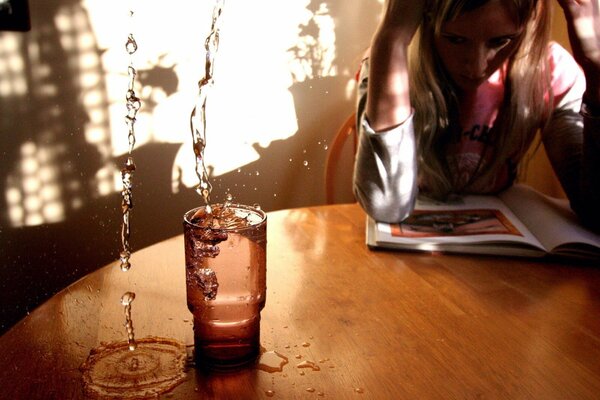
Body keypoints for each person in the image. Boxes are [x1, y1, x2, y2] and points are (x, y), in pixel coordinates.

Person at [353, 0, 600, 231]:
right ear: (427, 20)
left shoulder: (550, 72)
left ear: (527, 23)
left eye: (501, 41)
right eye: (455, 39)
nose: (477, 66)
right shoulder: (390, 66)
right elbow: (385, 206)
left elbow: (596, 213)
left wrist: (596, 69)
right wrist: (392, 37)